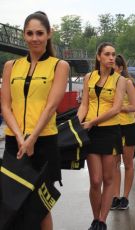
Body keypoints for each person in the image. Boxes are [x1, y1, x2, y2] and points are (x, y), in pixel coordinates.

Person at [1, 11, 69, 230]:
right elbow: (5, 106)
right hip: (15, 143)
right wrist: (21, 138)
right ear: (24, 35)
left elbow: (51, 107)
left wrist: (32, 139)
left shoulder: (59, 66)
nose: (35, 38)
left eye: (40, 33)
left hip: (44, 142)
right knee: (12, 203)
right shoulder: (11, 66)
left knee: (40, 207)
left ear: (49, 34)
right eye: (29, 33)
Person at [77, 42, 126, 230]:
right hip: (91, 132)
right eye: (107, 54)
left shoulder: (120, 80)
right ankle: (95, 218)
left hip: (110, 131)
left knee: (108, 179)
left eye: (113, 54)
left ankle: (102, 221)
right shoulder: (88, 77)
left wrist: (92, 122)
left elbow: (116, 108)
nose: (111, 58)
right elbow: (84, 105)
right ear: (98, 57)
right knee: (95, 180)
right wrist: (77, 123)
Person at [111, 55, 135, 210]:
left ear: (120, 68)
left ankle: (125, 197)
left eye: (114, 66)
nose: (110, 68)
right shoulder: (106, 82)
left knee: (127, 164)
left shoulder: (128, 82)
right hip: (112, 127)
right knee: (114, 164)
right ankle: (115, 196)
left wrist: (118, 108)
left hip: (127, 126)